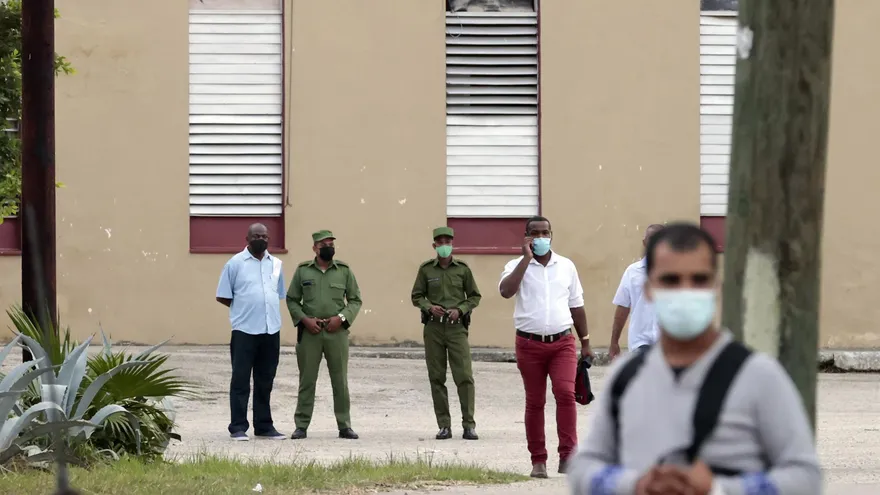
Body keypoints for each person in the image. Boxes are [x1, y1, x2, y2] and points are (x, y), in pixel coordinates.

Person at [567, 222, 822, 495]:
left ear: (715, 286)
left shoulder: (759, 376)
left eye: (698, 280)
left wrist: (718, 489)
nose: (685, 291)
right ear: (649, 288)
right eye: (670, 280)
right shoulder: (625, 377)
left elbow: (805, 476)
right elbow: (584, 468)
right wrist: (637, 484)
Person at [499, 215, 593, 479]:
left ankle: (568, 456)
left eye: (545, 233)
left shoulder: (566, 266)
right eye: (535, 234)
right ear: (526, 236)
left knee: (565, 393)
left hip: (562, 342)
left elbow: (576, 305)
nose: (541, 238)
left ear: (552, 235)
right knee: (535, 401)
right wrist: (526, 259)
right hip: (529, 344)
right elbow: (506, 291)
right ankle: (538, 460)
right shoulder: (515, 265)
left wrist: (585, 342)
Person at [286, 230, 363, 440]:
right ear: (314, 248)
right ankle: (301, 425)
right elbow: (292, 299)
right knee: (307, 380)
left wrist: (341, 318)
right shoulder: (303, 271)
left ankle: (344, 425)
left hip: (336, 332)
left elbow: (355, 300)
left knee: (340, 381)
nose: (328, 247)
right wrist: (304, 319)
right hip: (310, 332)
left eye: (331, 243)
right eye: (323, 244)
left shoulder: (344, 271)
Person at [215, 223, 287, 441]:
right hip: (244, 330)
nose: (261, 239)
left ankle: (264, 426)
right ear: (247, 238)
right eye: (257, 236)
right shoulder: (235, 263)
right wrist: (244, 308)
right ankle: (238, 427)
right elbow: (223, 295)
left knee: (265, 380)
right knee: (240, 380)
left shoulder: (276, 264)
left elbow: (278, 293)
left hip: (270, 329)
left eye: (265, 236)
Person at [411, 226, 482, 441]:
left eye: (447, 242)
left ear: (452, 244)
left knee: (464, 376)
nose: (444, 246)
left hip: (456, 328)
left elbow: (474, 297)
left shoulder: (462, 269)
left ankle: (469, 425)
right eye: (440, 242)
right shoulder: (426, 270)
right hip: (433, 328)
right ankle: (444, 425)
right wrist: (429, 307)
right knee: (437, 377)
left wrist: (460, 310)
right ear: (434, 246)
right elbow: (417, 296)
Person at [609, 224, 666, 359]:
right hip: (640, 342)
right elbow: (622, 307)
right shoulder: (632, 272)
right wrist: (614, 342)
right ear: (644, 242)